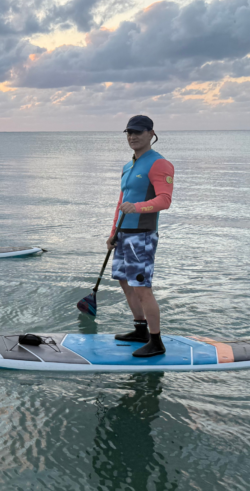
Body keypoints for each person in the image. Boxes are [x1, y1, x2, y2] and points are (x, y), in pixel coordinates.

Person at [107, 115, 174, 357]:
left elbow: (164, 200)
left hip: (142, 235)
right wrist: (113, 232)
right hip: (124, 233)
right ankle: (140, 330)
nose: (132, 137)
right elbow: (121, 202)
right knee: (125, 282)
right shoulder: (129, 166)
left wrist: (137, 207)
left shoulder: (159, 164)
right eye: (129, 132)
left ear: (150, 133)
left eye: (138, 132)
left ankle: (156, 342)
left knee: (142, 287)